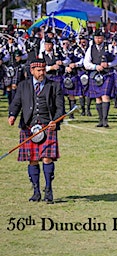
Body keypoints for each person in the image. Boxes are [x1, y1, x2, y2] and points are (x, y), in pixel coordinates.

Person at [7, 58, 65, 203]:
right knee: (32, 160)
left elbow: (60, 108)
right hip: (29, 126)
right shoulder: (23, 86)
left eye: (43, 70)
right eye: (38, 70)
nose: (42, 73)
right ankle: (36, 191)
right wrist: (12, 115)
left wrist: (56, 121)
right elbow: (16, 102)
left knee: (47, 158)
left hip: (47, 127)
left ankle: (49, 190)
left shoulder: (54, 86)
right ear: (32, 71)